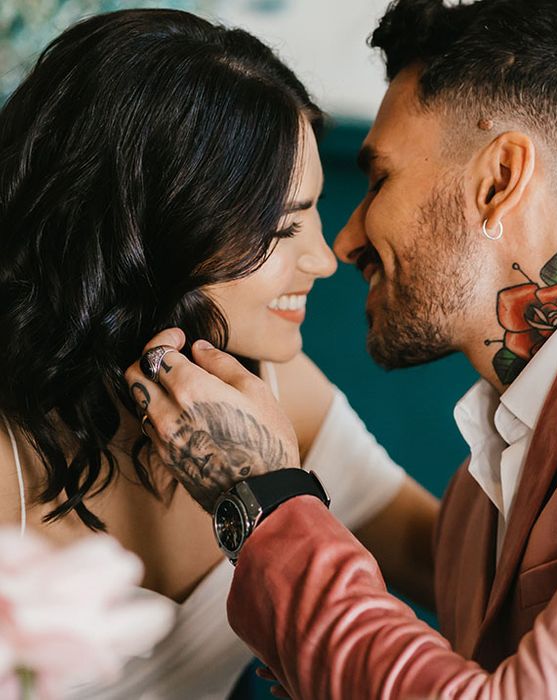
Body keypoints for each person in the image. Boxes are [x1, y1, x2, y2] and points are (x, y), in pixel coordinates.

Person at [126, 0, 557, 698]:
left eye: (379, 181)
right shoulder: (480, 492)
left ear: (498, 182)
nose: (344, 243)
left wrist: (268, 505)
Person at [0, 9, 437, 699]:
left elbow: (440, 560)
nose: (324, 259)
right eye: (281, 227)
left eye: (317, 212)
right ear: (150, 235)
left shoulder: (276, 393)